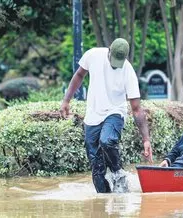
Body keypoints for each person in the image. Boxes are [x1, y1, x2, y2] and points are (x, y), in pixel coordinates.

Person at [60, 38, 153, 193]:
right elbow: (79, 75)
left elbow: (136, 109)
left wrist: (146, 139)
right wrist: (66, 100)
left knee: (107, 140)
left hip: (115, 112)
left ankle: (118, 174)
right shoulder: (93, 55)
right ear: (109, 51)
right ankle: (105, 202)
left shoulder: (128, 71)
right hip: (92, 116)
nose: (115, 65)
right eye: (113, 60)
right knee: (97, 169)